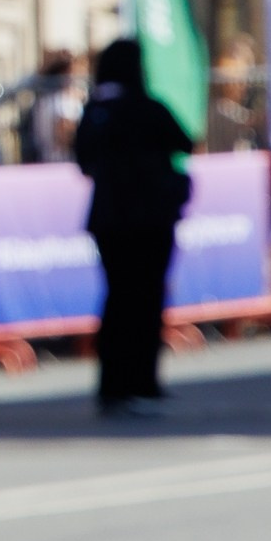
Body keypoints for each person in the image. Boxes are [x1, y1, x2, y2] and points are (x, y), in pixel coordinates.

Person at [74, 38, 192, 418]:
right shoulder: (144, 106)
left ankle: (115, 385)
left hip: (111, 217)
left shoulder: (97, 109)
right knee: (144, 299)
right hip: (148, 216)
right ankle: (140, 380)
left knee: (119, 298)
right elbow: (184, 140)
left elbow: (83, 159)